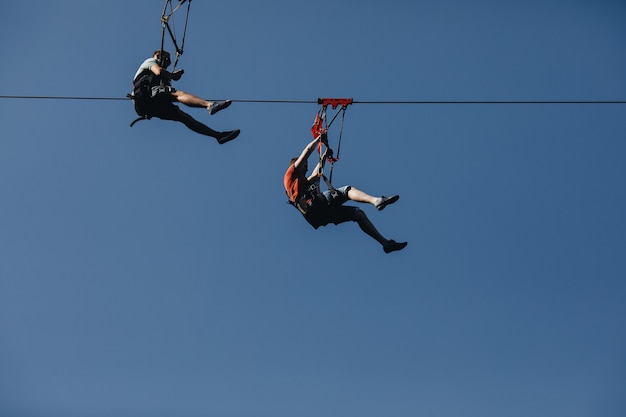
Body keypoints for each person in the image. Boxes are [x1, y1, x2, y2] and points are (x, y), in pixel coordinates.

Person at [284, 134, 407, 253]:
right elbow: (307, 151)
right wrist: (318, 139)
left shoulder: (300, 183)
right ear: (297, 165)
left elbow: (316, 175)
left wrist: (325, 155)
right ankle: (376, 201)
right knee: (347, 190)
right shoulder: (291, 175)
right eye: (305, 166)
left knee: (358, 214)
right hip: (314, 206)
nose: (306, 168)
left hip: (317, 216)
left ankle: (385, 244)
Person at [131, 50, 240, 144]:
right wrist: (173, 76)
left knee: (185, 118)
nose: (167, 63)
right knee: (179, 94)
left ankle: (218, 136)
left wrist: (172, 76)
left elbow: (162, 76)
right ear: (158, 55)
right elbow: (158, 71)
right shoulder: (150, 61)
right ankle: (209, 105)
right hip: (145, 96)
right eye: (167, 59)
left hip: (147, 106)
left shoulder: (160, 76)